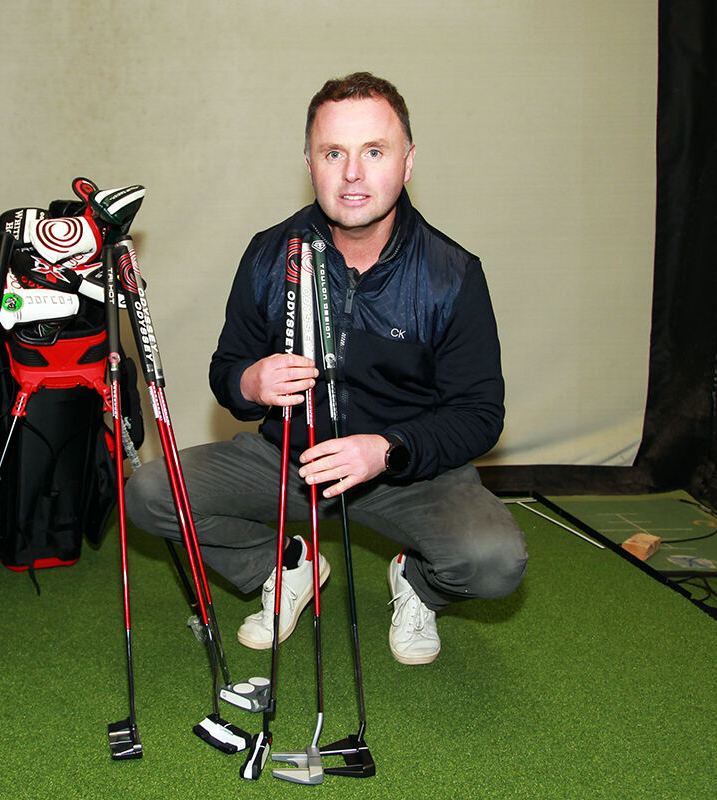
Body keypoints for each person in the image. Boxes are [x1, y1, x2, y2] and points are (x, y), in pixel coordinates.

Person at [125, 72, 526, 665]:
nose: (353, 174)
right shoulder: (269, 252)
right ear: (309, 162)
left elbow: (479, 415)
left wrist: (386, 449)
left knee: (494, 561)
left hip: (407, 473)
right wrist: (249, 382)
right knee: (151, 491)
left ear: (408, 162)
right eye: (333, 153)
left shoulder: (453, 274)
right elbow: (226, 370)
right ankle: (285, 567)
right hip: (288, 458)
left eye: (374, 151)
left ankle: (417, 585)